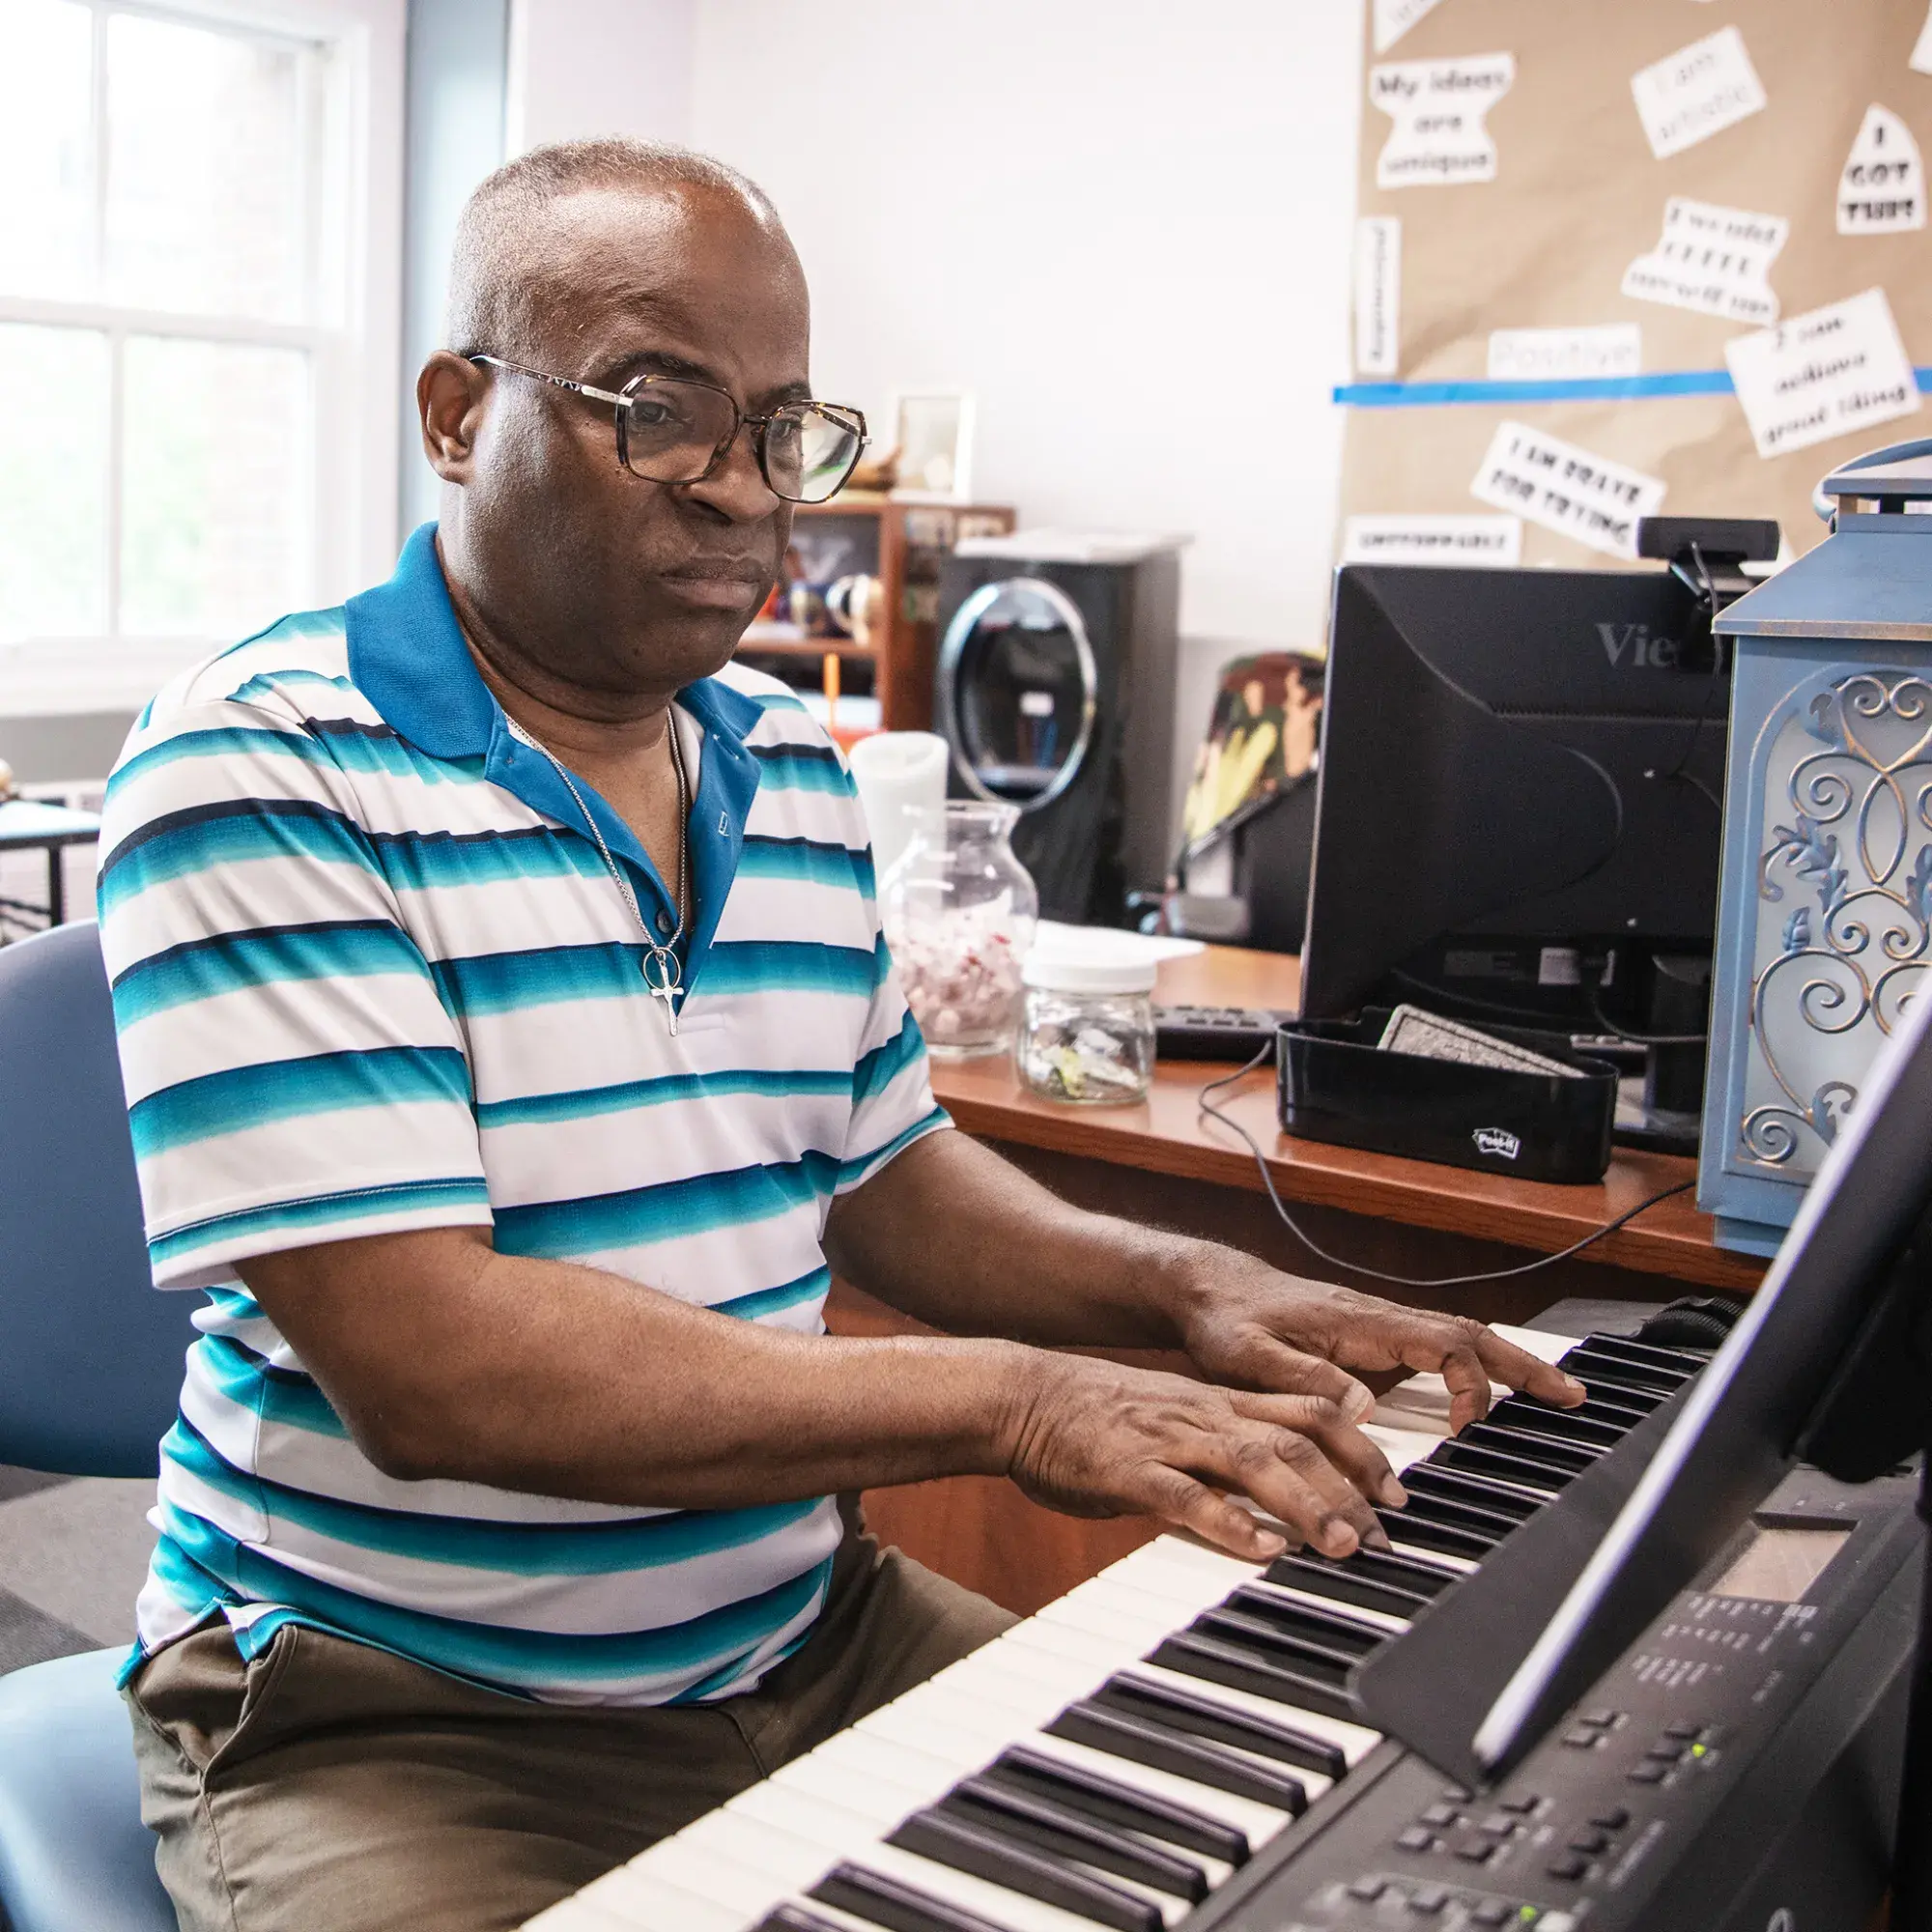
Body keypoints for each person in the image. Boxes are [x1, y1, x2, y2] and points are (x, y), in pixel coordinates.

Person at [96, 139, 1583, 1932]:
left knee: (1280, 1865)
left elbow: (883, 1171)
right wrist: (1020, 1401)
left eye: (782, 425)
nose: (742, 493)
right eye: (661, 409)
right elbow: (433, 1371)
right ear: (453, 410)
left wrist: (1182, 1290)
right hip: (391, 1713)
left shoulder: (787, 759)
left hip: (807, 1632)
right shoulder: (264, 764)